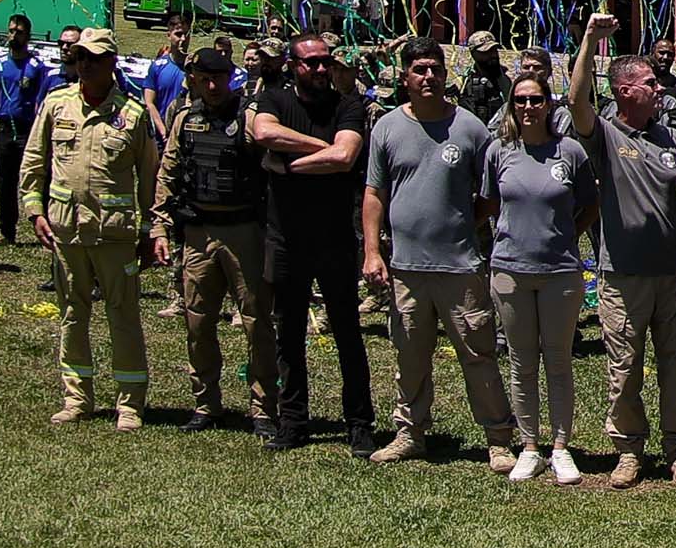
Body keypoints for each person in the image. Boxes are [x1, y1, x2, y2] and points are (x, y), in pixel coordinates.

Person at [362, 38, 519, 467]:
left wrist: (466, 224)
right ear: (405, 77)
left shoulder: (470, 128)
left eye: (435, 68)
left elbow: (490, 194)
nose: (428, 76)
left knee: (478, 353)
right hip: (406, 268)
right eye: (419, 70)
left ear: (446, 75)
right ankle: (409, 433)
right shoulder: (387, 128)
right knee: (410, 356)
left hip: (460, 266)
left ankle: (498, 439)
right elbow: (374, 193)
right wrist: (372, 252)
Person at [565, 16, 676, 488]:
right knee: (624, 368)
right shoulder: (605, 136)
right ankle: (628, 449)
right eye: (649, 83)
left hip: (672, 276)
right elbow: (576, 100)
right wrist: (589, 39)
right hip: (622, 276)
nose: (659, 88)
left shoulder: (673, 140)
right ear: (624, 91)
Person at [20, 29, 159, 428]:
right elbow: (34, 161)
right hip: (66, 230)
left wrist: (150, 230)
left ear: (112, 63)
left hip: (114, 233)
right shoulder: (56, 104)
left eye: (94, 58)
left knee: (123, 316)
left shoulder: (132, 114)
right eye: (80, 57)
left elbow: (149, 179)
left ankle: (130, 404)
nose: (85, 64)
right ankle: (77, 398)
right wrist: (34, 210)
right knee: (71, 314)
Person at [247, 32, 374, 453]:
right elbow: (263, 132)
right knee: (289, 335)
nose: (321, 68)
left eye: (325, 61)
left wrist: (289, 164)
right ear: (293, 66)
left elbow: (345, 156)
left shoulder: (348, 105)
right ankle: (293, 422)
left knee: (348, 334)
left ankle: (359, 423)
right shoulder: (275, 100)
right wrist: (321, 147)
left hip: (335, 239)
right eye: (311, 62)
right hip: (286, 239)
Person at [155, 44, 279, 434]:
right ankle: (206, 403)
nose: (212, 86)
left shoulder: (248, 117)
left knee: (257, 323)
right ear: (194, 80)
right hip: (198, 233)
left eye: (219, 79)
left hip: (244, 232)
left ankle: (263, 407)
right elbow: (168, 172)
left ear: (230, 78)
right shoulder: (185, 119)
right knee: (198, 322)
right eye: (205, 79)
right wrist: (158, 226)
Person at [486, 66, 595, 483]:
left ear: (548, 104)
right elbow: (491, 202)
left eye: (536, 99)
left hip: (560, 272)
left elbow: (590, 204)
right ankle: (529, 446)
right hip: (510, 271)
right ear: (511, 106)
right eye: (521, 100)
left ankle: (561, 447)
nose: (528, 106)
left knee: (558, 360)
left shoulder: (570, 152)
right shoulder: (499, 152)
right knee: (521, 361)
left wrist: (565, 235)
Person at [0, 16, 56, 246]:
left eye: (19, 32)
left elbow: (41, 99)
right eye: (11, 31)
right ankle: (7, 231)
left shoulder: (36, 67)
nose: (14, 36)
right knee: (5, 181)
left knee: (36, 178)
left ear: (28, 36)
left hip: (28, 130)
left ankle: (46, 229)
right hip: (5, 129)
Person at [455, 31, 510, 125]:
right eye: (486, 52)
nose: (492, 55)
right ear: (473, 54)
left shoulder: (506, 78)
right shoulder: (463, 82)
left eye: (494, 50)